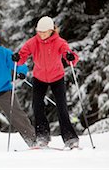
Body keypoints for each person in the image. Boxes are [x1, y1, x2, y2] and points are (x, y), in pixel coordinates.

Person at [12, 16, 80, 149]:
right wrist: (18, 58)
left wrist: (71, 57)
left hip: (57, 78)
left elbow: (69, 54)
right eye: (39, 32)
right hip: (39, 78)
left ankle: (70, 139)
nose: (41, 35)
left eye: (44, 32)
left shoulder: (59, 42)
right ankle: (42, 137)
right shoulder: (33, 42)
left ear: (51, 31)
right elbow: (22, 55)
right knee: (37, 107)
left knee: (62, 108)